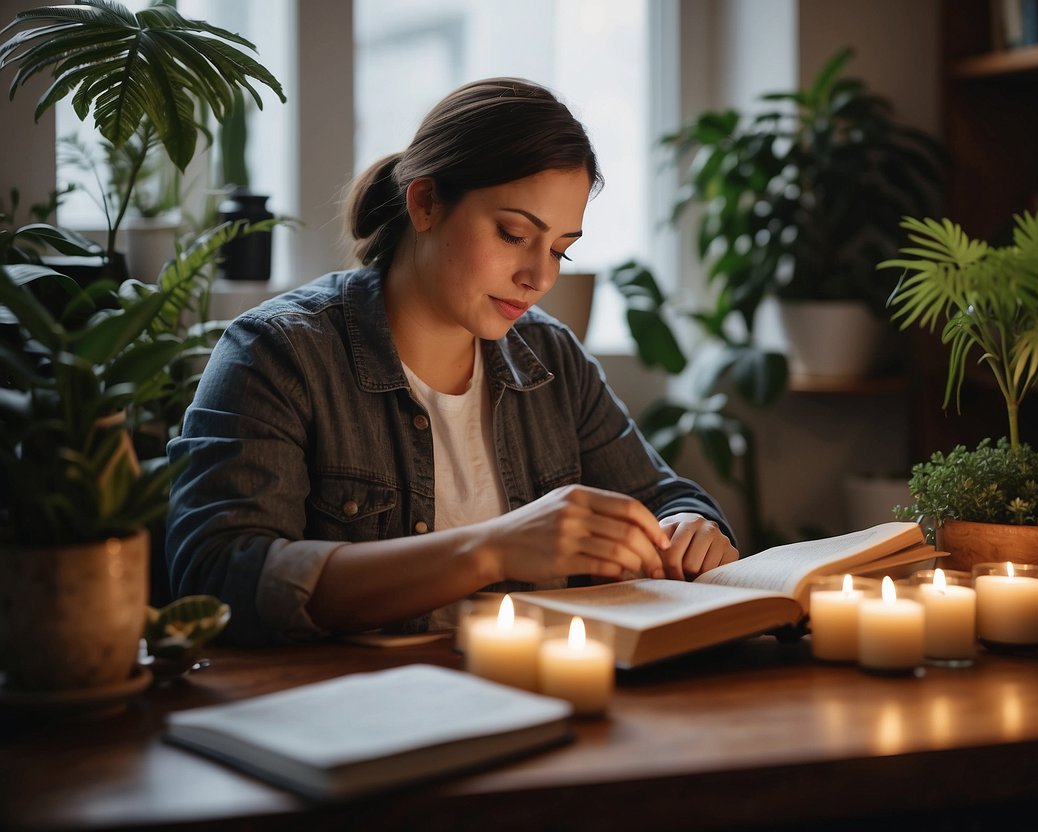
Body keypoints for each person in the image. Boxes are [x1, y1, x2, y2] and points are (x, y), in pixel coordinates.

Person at [166, 77, 738, 646]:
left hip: (537, 704)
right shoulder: (277, 355)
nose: (539, 278)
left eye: (561, 249)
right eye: (514, 234)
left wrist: (690, 525)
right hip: (348, 715)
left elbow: (664, 495)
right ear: (425, 203)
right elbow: (217, 581)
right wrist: (491, 549)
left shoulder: (552, 357)